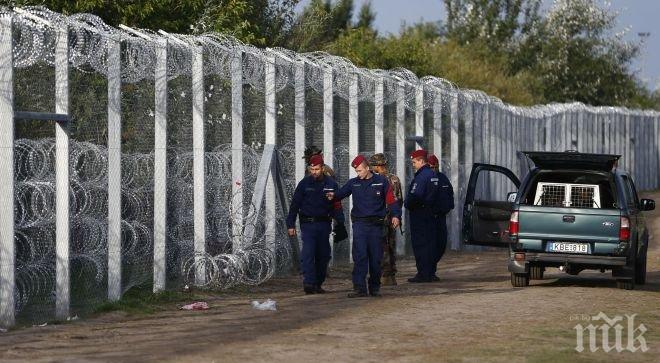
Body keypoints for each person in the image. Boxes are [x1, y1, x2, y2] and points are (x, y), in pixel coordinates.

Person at [327, 155, 401, 298]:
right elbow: (340, 194)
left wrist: (396, 215)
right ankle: (359, 288)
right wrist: (331, 195)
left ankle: (374, 287)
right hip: (360, 224)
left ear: (368, 168)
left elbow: (391, 200)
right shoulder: (353, 183)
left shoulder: (381, 182)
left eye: (360, 170)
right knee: (360, 256)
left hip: (376, 225)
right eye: (356, 171)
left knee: (375, 258)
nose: (358, 174)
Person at [287, 154, 344, 294]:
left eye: (317, 169)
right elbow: (295, 205)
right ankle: (309, 283)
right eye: (312, 169)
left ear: (322, 168)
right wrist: (290, 224)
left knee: (323, 255)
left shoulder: (331, 184)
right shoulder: (304, 184)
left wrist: (340, 222)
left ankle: (318, 283)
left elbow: (337, 205)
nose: (314, 172)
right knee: (308, 253)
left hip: (324, 224)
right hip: (308, 224)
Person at [404, 149, 453, 283]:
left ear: (420, 161)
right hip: (430, 215)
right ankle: (429, 272)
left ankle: (424, 273)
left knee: (421, 245)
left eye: (414, 162)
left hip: (421, 215)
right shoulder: (434, 176)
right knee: (430, 245)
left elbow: (415, 196)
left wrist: (407, 204)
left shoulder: (422, 176)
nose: (413, 165)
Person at [369, 153, 403, 286]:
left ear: (378, 166)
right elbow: (400, 200)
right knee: (390, 245)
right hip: (392, 218)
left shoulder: (375, 180)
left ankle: (385, 275)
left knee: (381, 246)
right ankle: (391, 275)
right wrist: (396, 215)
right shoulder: (395, 179)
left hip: (380, 218)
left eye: (373, 165)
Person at [427, 153, 454, 272]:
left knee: (441, 244)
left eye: (435, 167)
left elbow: (450, 193)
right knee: (429, 245)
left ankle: (431, 266)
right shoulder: (424, 179)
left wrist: (449, 206)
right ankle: (428, 270)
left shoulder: (443, 178)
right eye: (431, 167)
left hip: (441, 217)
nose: (433, 169)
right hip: (428, 218)